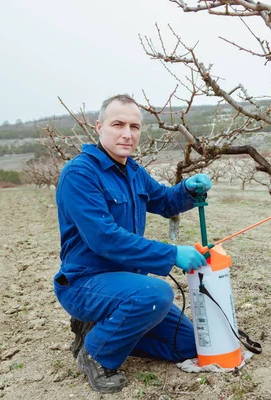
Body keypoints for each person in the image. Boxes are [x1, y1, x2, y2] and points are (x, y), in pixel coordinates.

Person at [53, 94, 211, 394]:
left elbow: (164, 201)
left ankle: (104, 331)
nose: (128, 134)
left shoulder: (133, 171)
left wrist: (187, 189)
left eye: (135, 127)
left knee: (189, 344)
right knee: (157, 293)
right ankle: (96, 353)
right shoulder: (80, 174)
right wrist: (173, 254)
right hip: (85, 282)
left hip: (128, 286)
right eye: (118, 124)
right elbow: (104, 238)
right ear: (99, 127)